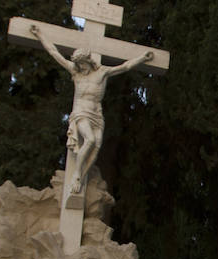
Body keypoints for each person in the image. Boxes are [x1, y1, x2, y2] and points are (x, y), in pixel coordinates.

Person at [28, 24, 153, 193]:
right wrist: (40, 35)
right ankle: (77, 175)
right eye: (78, 64)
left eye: (83, 64)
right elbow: (54, 52)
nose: (81, 67)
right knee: (90, 140)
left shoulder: (102, 73)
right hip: (81, 112)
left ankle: (81, 178)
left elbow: (125, 67)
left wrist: (142, 59)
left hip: (96, 114)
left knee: (95, 149)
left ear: (87, 61)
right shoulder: (75, 73)